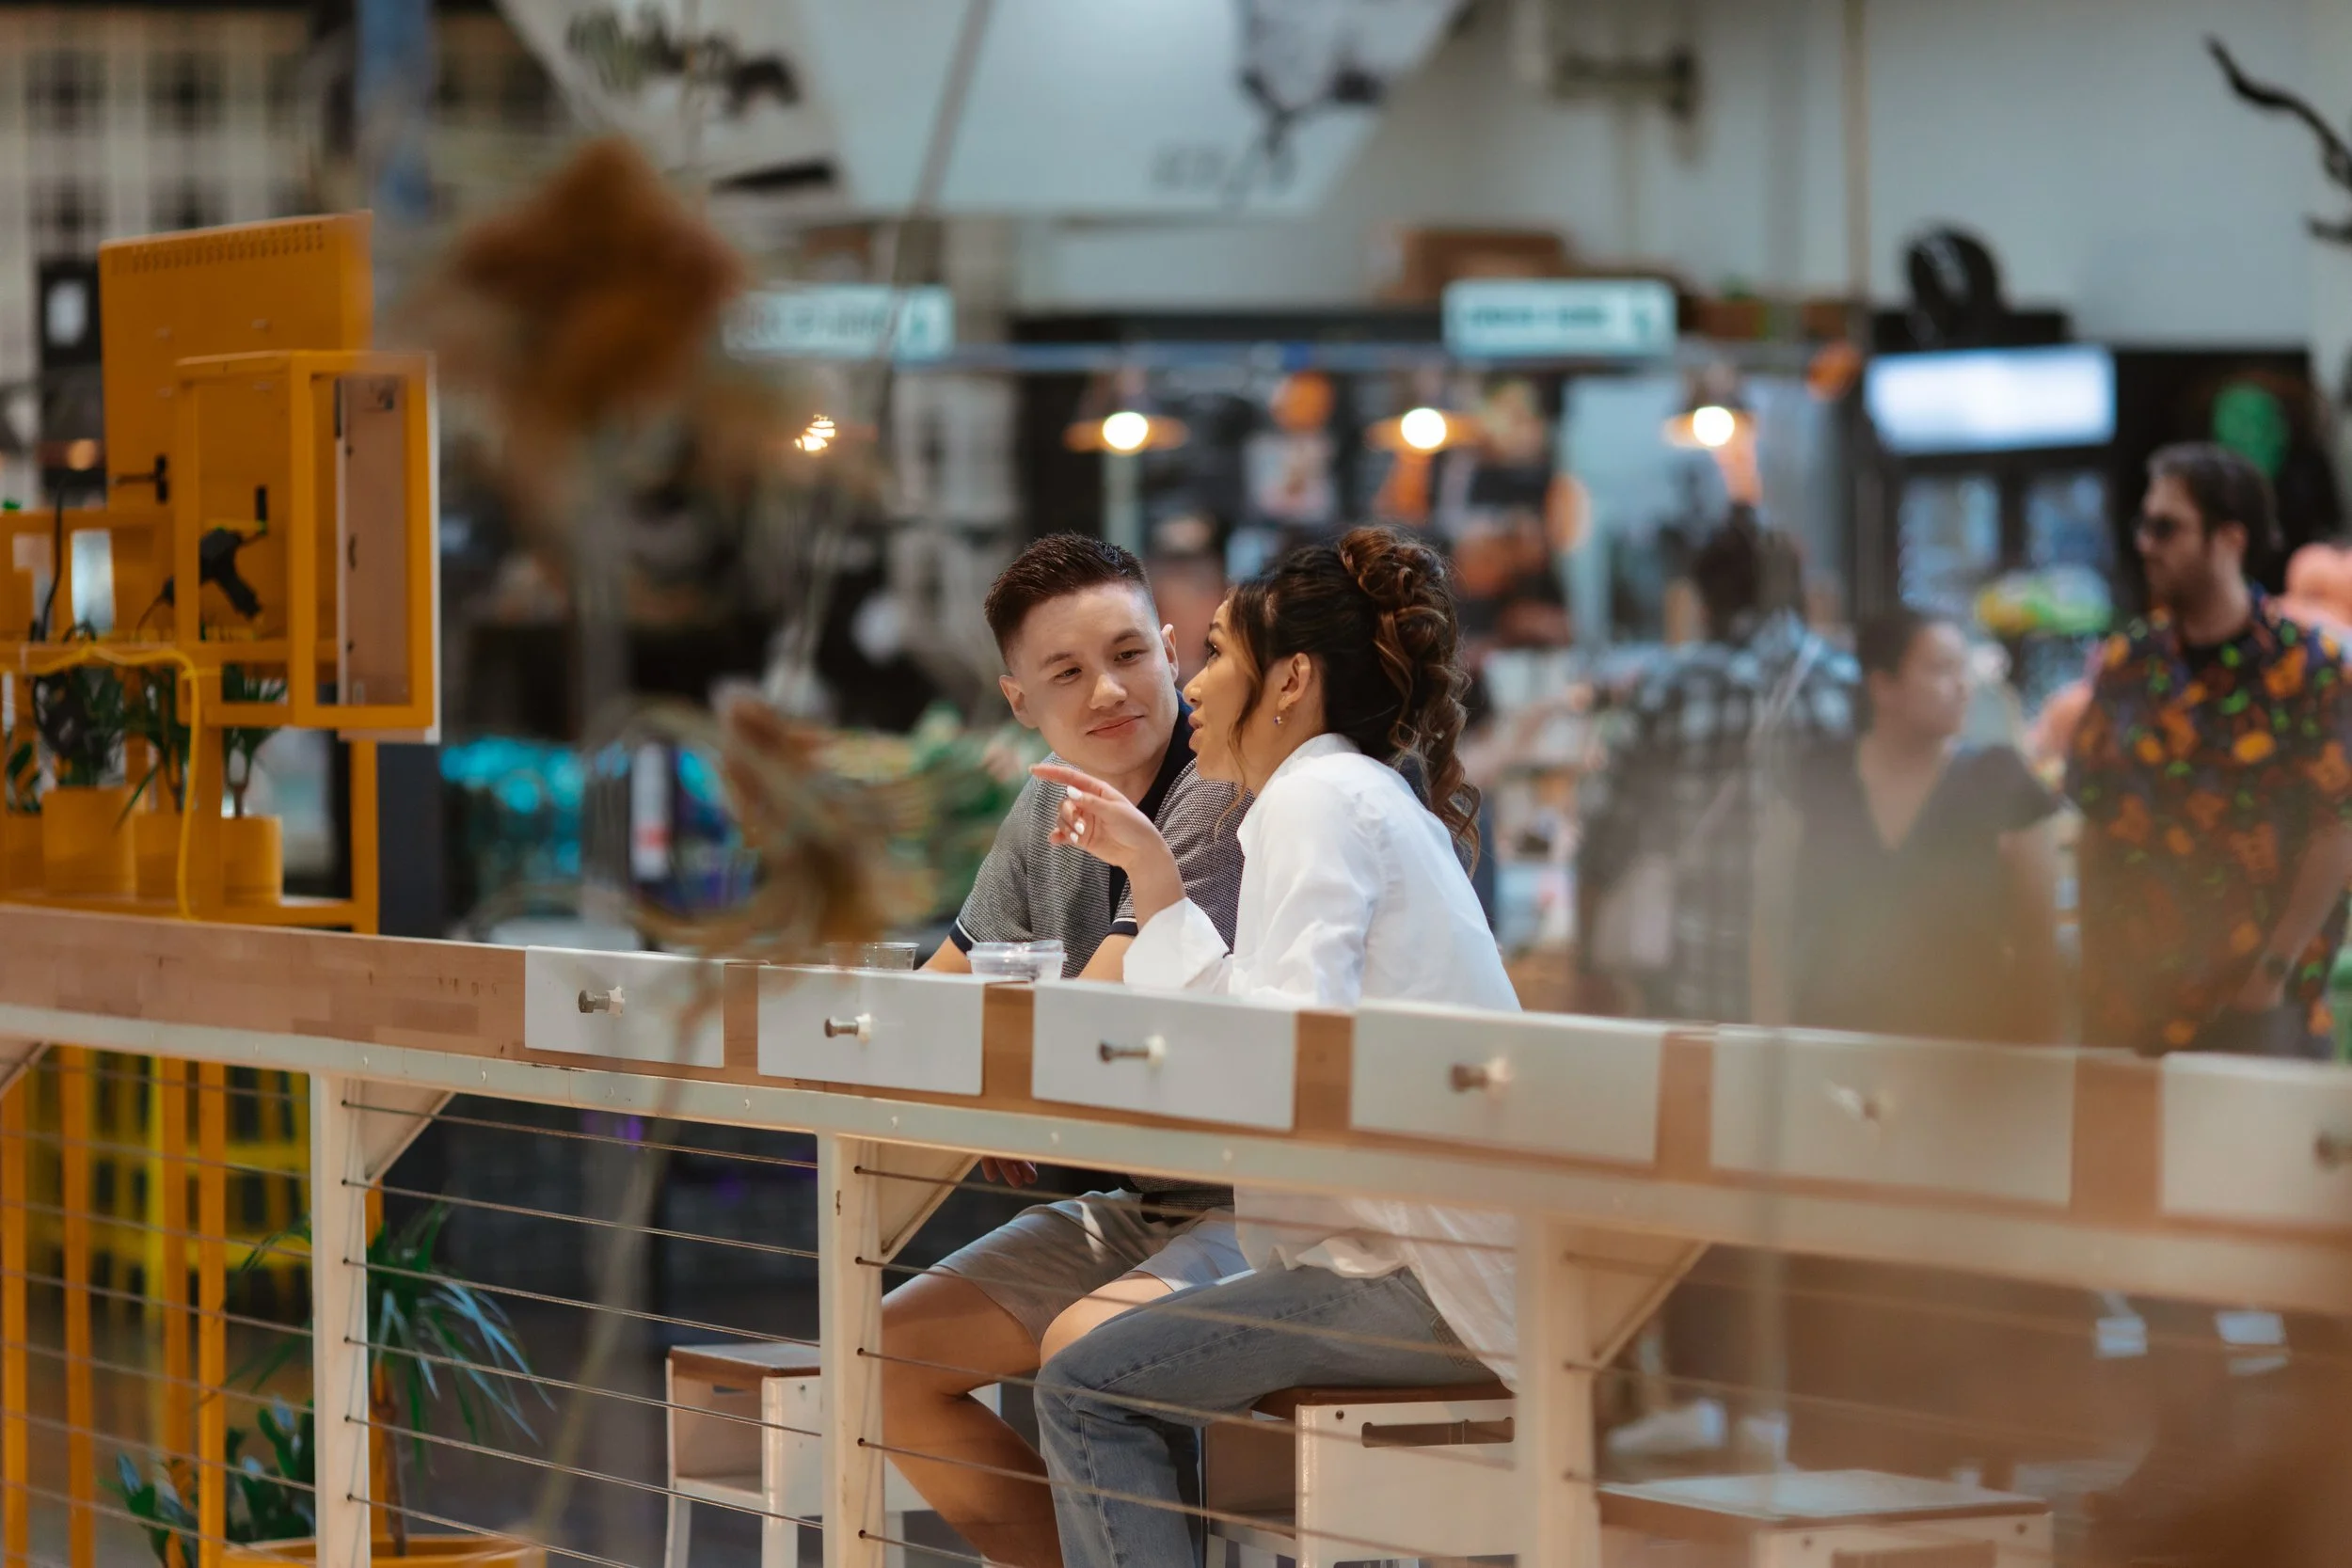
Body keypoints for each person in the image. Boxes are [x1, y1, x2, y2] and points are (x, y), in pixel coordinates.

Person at [1025, 527, 1519, 1568]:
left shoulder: (1313, 797)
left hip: (1417, 1271)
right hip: (1449, 1258)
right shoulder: (1349, 792)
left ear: (1290, 679)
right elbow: (1278, 1024)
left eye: (1215, 654)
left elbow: (1278, 1058)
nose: (1192, 685)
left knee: (1084, 1391)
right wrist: (1155, 875)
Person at [883, 533, 1249, 1568]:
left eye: (1131, 654)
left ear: (1172, 648)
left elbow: (1087, 1033)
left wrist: (1003, 1095)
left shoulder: (1217, 791)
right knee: (885, 1354)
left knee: (1082, 1349)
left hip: (1268, 1205)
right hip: (1144, 1201)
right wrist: (998, 1089)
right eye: (1067, 672)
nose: (1109, 691)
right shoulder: (1050, 796)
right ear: (1017, 699)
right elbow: (939, 1001)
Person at [2068, 442, 2352, 1059]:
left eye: (2167, 527)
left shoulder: (2307, 667)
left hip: (2257, 1008)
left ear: (2229, 538)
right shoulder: (2127, 664)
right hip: (2133, 1004)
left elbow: (2337, 828)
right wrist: (2094, 962)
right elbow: (2096, 817)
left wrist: (2271, 971)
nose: (2147, 543)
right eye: (2143, 525)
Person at [1580, 510, 1857, 1027]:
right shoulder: (1847, 684)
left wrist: (1587, 967)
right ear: (1795, 591)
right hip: (1817, 971)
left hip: (1689, 968)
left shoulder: (1667, 686)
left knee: (1695, 1102)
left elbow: (1603, 834)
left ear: (1704, 600)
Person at [1756, 607, 2064, 1044]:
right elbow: (1770, 921)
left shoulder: (2001, 782)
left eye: (1965, 670)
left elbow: (2039, 944)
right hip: (1830, 1046)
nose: (1963, 687)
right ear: (1883, 686)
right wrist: (1769, 1036)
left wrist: (2037, 1064)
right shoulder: (1816, 778)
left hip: (1963, 1060)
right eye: (1941, 670)